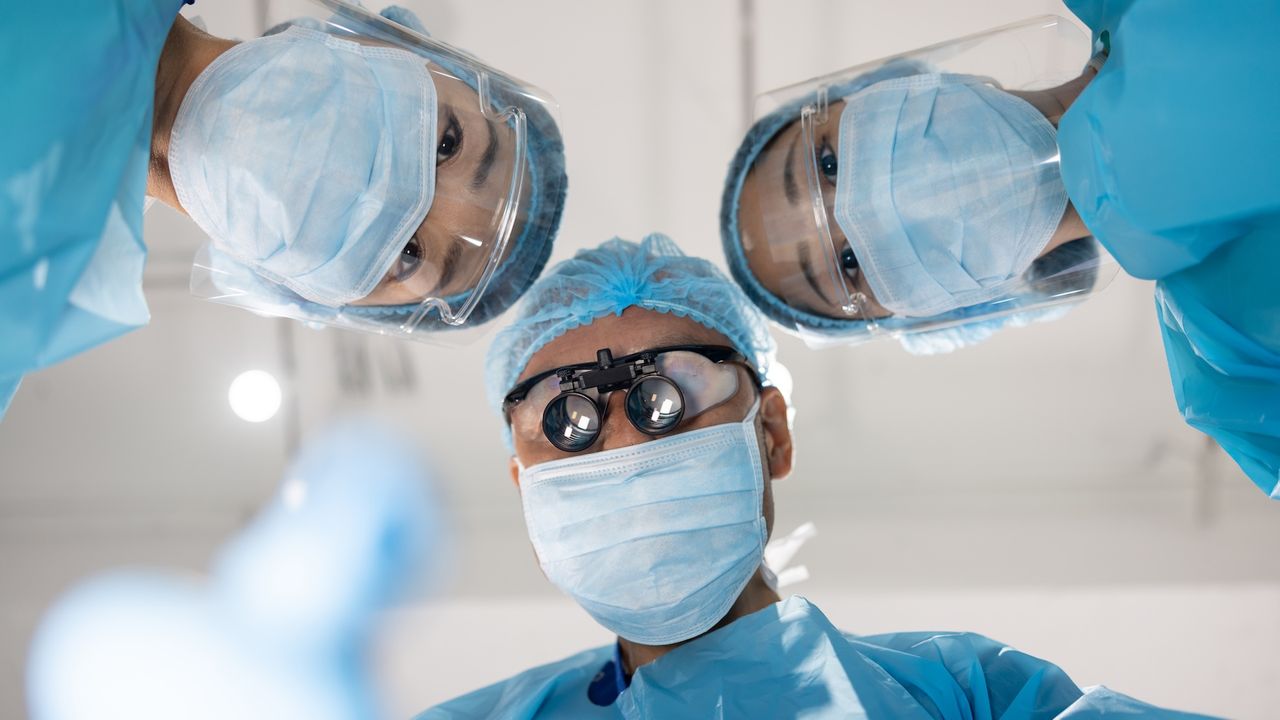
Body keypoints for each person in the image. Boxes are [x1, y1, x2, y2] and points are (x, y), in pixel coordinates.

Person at [420, 234, 1207, 719]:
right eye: (569, 423)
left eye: (668, 397)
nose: (624, 444)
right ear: (527, 488)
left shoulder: (963, 697)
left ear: (770, 432)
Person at [720, 4, 1280, 498]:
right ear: (933, 316)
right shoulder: (1244, 372)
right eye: (851, 264)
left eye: (829, 164)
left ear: (884, 88)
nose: (870, 207)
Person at [0, 0, 567, 419]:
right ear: (393, 42)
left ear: (299, 295)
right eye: (447, 143)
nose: (384, 192)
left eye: (408, 253)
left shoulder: (17, 295)